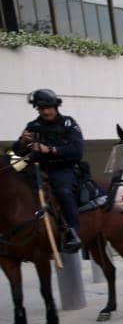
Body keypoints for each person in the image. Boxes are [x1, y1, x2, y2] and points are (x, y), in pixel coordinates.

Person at [10, 89, 84, 252]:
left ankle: (73, 232)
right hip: (36, 169)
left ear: (56, 106)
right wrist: (22, 142)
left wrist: (50, 149)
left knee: (63, 192)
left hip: (62, 169)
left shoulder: (68, 123)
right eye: (41, 108)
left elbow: (77, 150)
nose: (45, 111)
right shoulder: (33, 126)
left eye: (48, 107)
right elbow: (16, 152)